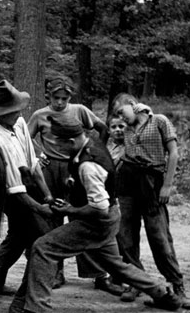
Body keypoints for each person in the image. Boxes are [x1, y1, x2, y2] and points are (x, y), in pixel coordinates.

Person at [4, 123, 183, 313]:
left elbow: (100, 209)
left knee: (43, 248)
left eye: (59, 144)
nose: (56, 148)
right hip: (106, 219)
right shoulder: (89, 144)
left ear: (71, 141)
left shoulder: (89, 165)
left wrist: (70, 210)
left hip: (98, 221)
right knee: (114, 265)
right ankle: (162, 293)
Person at [27, 76, 120, 296]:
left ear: (70, 97)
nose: (60, 102)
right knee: (52, 217)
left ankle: (98, 274)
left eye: (64, 98)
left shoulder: (79, 111)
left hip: (76, 165)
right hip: (50, 168)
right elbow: (25, 138)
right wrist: (39, 154)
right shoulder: (39, 115)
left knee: (83, 218)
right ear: (48, 95)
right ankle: (56, 272)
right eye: (56, 97)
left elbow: (101, 128)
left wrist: (96, 151)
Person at [111, 93, 190, 310]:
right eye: (117, 115)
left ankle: (177, 286)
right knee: (126, 235)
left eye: (122, 111)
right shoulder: (127, 129)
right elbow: (111, 145)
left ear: (133, 105)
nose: (120, 118)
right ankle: (136, 283)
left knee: (159, 236)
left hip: (152, 182)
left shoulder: (159, 121)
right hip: (128, 182)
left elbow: (174, 153)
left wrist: (167, 185)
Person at [0, 80, 54, 297]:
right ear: (1, 113)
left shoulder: (18, 122)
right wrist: (41, 210)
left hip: (26, 187)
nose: (18, 114)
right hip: (8, 194)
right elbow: (15, 192)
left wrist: (47, 195)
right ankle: (30, 291)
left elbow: (33, 162)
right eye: (13, 111)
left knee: (18, 236)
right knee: (41, 237)